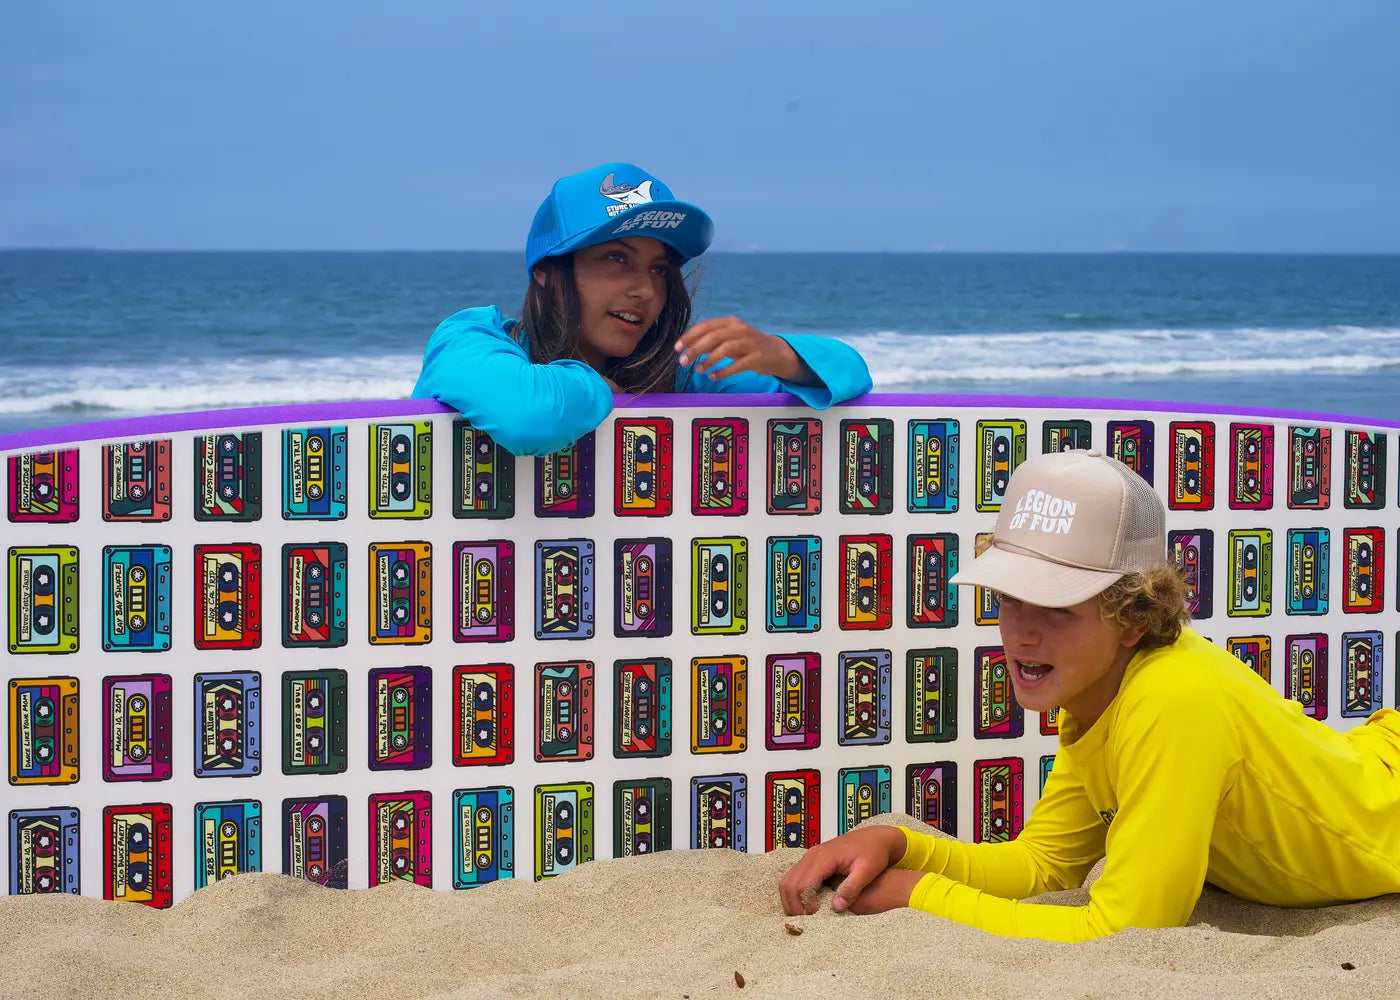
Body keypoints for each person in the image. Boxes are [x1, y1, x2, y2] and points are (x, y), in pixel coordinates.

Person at [779, 448, 1400, 942]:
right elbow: (1044, 866)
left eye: (1054, 604)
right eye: (1008, 597)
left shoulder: (1172, 697)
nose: (1021, 631)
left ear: (1132, 615)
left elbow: (1127, 929)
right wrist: (898, 843)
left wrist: (919, 895)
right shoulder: (1103, 686)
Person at [412, 162, 872, 455]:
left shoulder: (677, 372)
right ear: (547, 272)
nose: (645, 291)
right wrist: (606, 390)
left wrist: (779, 355)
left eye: (657, 269)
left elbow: (850, 373)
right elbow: (529, 416)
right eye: (616, 259)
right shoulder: (470, 338)